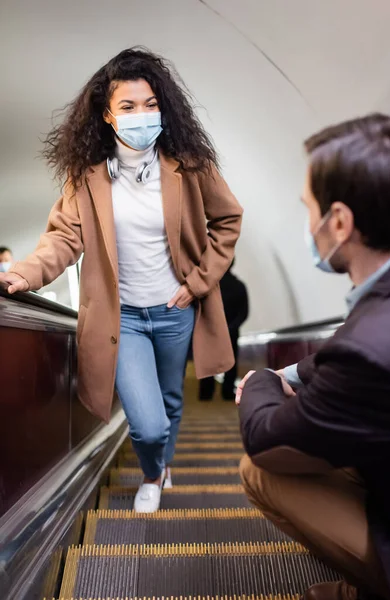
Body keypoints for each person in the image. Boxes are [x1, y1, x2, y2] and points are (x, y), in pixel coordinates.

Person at [0, 47, 243, 513]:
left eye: (151, 104)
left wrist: (197, 282)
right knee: (148, 421)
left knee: (172, 399)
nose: (142, 115)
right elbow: (62, 239)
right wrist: (23, 274)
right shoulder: (86, 176)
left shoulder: (189, 167)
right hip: (123, 318)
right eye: (128, 107)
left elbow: (228, 219)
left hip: (175, 312)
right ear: (107, 116)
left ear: (164, 109)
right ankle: (153, 471)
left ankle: (162, 467)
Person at [236, 114, 390, 600]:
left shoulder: (370, 350)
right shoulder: (383, 304)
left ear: (341, 222)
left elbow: (264, 439)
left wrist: (263, 380)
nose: (308, 225)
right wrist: (293, 378)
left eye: (309, 208)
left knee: (261, 469)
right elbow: (348, 343)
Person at [199, 258, 248, 400]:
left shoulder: (209, 286)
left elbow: (202, 309)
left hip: (210, 331)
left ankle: (206, 393)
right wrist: (231, 327)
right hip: (231, 332)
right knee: (231, 363)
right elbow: (244, 312)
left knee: (208, 363)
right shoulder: (239, 286)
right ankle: (227, 392)